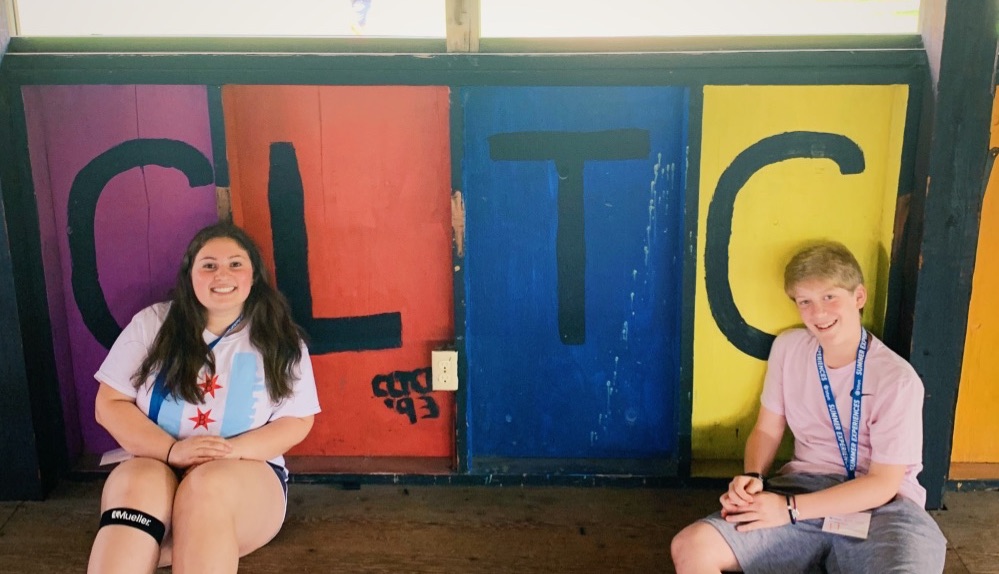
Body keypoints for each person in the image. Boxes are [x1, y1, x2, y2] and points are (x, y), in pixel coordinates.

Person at [670, 240, 946, 573]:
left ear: (859, 297)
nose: (818, 313)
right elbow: (767, 429)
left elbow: (883, 483)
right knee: (691, 546)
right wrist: (754, 476)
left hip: (882, 507)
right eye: (805, 301)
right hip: (803, 486)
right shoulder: (788, 348)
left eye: (829, 297)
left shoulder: (897, 379)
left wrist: (789, 508)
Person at [87, 222, 321, 574]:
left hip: (243, 472)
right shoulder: (152, 323)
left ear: (254, 276)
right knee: (138, 484)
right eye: (209, 265)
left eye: (235, 264)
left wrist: (229, 452)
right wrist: (171, 451)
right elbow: (109, 404)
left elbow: (298, 419)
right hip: (154, 461)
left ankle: (164, 545)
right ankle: (152, 546)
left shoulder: (280, 337)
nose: (221, 274)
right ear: (190, 275)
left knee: (206, 488)